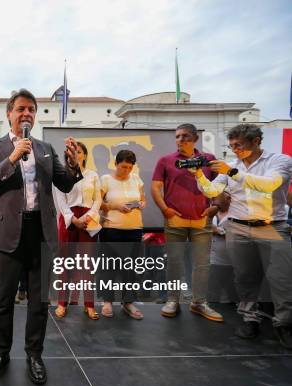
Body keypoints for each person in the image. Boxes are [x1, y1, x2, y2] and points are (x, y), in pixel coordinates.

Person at [0, 88, 82, 385]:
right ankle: (0, 353)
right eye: (21, 109)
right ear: (9, 113)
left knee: (39, 302)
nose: (27, 114)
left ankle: (34, 355)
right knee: (3, 300)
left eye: (31, 110)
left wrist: (75, 166)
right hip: (8, 232)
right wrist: (11, 158)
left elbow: (64, 182)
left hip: (41, 233)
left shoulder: (45, 148)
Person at [194, 124, 292, 348]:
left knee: (282, 278)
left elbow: (269, 185)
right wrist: (199, 174)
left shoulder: (279, 161)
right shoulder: (232, 166)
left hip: (272, 226)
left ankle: (284, 324)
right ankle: (250, 319)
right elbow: (212, 191)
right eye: (231, 146)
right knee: (245, 277)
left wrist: (231, 172)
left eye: (239, 145)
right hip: (237, 227)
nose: (235, 150)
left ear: (256, 141)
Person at [151, 123, 222, 322]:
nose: (180, 140)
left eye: (184, 136)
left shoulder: (209, 160)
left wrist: (215, 207)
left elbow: (219, 187)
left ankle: (199, 302)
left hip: (202, 220)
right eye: (177, 136)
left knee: (202, 264)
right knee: (174, 262)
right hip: (175, 220)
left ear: (195, 139)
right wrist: (165, 209)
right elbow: (155, 188)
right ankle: (173, 299)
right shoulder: (165, 160)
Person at [53, 141, 102, 320]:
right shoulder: (61, 175)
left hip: (88, 220)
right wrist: (73, 218)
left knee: (87, 265)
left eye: (79, 151)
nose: (75, 154)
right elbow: (60, 200)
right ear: (67, 156)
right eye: (72, 152)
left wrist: (88, 216)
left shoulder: (94, 175)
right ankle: (61, 303)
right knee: (65, 264)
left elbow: (98, 200)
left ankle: (89, 305)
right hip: (68, 219)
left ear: (85, 155)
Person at [98, 150, 146, 320]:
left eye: (130, 167)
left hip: (134, 229)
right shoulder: (105, 179)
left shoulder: (136, 179)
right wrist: (115, 206)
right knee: (109, 267)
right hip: (111, 229)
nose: (126, 170)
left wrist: (140, 204)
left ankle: (128, 302)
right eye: (123, 166)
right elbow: (98, 203)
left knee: (130, 268)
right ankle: (107, 301)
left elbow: (143, 199)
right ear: (116, 164)